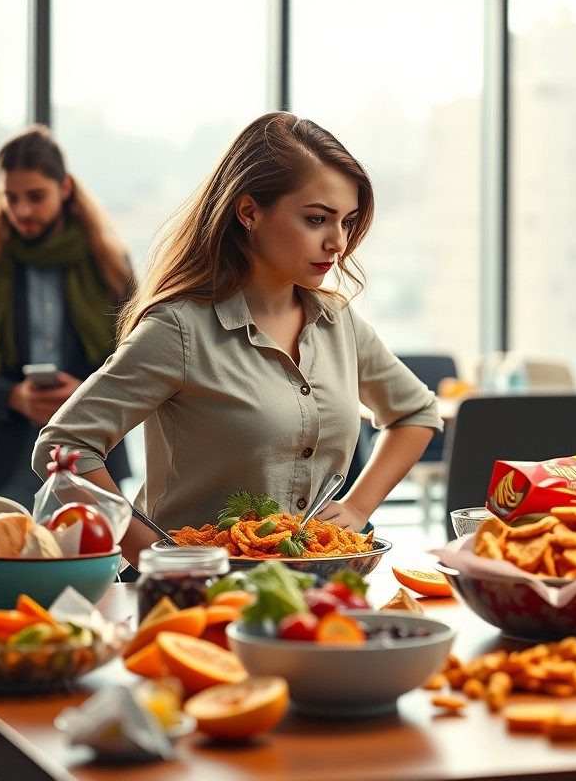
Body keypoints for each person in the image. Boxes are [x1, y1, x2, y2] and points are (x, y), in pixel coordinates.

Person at [34, 112, 441, 564]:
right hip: (196, 601)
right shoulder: (179, 329)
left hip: (313, 591)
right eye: (316, 219)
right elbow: (65, 445)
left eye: (346, 222)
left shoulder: (338, 321)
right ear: (248, 211)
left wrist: (358, 506)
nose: (338, 243)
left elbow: (416, 412)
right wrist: (156, 556)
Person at [0, 126, 132, 505]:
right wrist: (11, 395)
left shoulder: (112, 268)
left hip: (94, 456)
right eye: (10, 198)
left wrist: (85, 393)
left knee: (96, 565)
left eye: (36, 197)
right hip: (7, 466)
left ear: (65, 188)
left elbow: (140, 367)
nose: (22, 211)